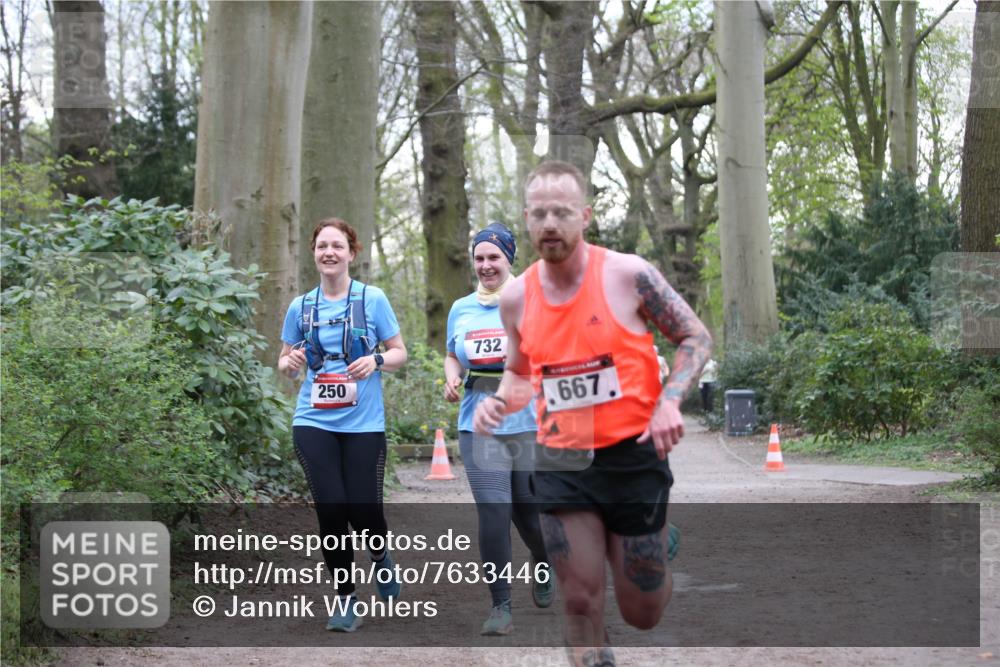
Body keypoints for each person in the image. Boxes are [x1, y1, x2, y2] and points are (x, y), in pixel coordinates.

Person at [473, 161, 712, 666]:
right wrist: (499, 401)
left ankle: (652, 553)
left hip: (634, 457)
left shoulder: (629, 275)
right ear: (527, 218)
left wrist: (670, 402)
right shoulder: (515, 298)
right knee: (580, 598)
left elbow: (695, 336)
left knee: (642, 608)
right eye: (539, 213)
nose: (550, 224)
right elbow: (519, 373)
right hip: (564, 458)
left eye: (562, 212)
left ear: (585, 215)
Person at [278, 218, 408, 633]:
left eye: (337, 245)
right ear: (313, 253)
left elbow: (400, 351)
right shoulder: (301, 306)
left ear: (352, 253)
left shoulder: (373, 299)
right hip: (313, 420)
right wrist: (290, 362)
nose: (328, 252)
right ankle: (346, 600)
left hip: (363, 423)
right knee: (331, 510)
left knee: (365, 510)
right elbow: (283, 362)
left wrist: (377, 360)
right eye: (321, 246)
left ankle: (381, 557)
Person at [443, 222, 552, 636]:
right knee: (493, 510)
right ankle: (500, 606)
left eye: (494, 257)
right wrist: (452, 377)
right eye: (480, 258)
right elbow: (452, 355)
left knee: (528, 513)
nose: (486, 265)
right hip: (477, 424)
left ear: (509, 259)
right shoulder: (461, 308)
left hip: (527, 425)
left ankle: (541, 559)